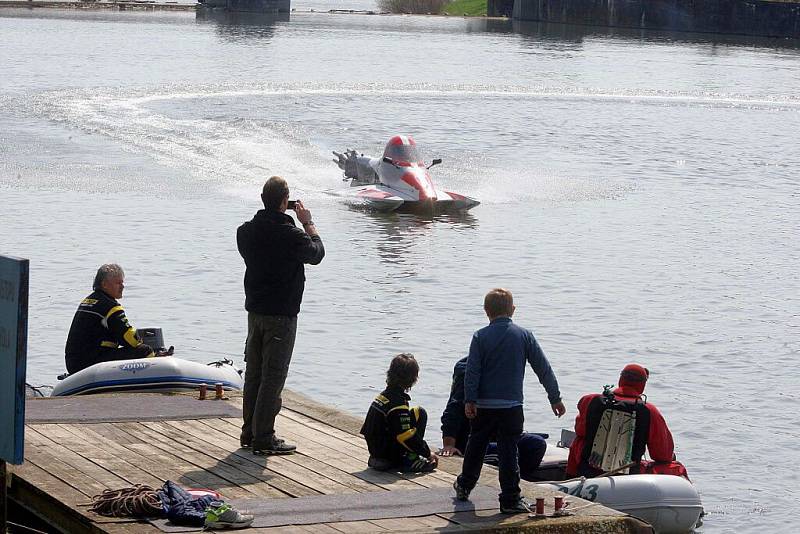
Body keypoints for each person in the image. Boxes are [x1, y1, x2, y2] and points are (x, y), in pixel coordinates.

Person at [453, 288, 566, 514]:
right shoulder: (524, 336)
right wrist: (555, 398)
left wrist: (469, 400)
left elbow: (472, 371)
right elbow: (543, 369)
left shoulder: (479, 336)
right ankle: (510, 499)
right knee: (509, 451)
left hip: (483, 406)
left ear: (486, 312)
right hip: (512, 407)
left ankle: (464, 485)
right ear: (513, 310)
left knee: (476, 446)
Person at [238, 176, 325, 456]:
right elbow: (316, 254)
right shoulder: (291, 235)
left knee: (254, 374)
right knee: (273, 377)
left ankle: (249, 432)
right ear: (285, 202)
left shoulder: (246, 232)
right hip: (281, 316)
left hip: (255, 313)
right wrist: (308, 223)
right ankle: (264, 437)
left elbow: (255, 241)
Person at [566, 363, 688, 478]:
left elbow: (580, 430)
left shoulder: (590, 400)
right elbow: (662, 455)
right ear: (642, 385)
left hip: (588, 468)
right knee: (677, 467)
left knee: (579, 440)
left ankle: (570, 476)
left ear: (621, 380)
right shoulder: (649, 411)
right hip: (629, 474)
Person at [440, 356, 548, 481]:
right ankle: (508, 483)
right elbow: (452, 411)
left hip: (498, 435)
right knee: (508, 453)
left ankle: (521, 480)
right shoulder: (469, 373)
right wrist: (448, 445)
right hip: (475, 441)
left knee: (536, 443)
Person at [64, 264, 154, 374]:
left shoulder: (87, 301)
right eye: (118, 283)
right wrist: (147, 343)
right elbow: (129, 339)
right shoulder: (111, 306)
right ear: (105, 284)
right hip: (91, 363)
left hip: (73, 364)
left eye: (122, 282)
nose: (122, 286)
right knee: (145, 351)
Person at [361, 353, 439, 473]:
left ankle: (406, 456)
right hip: (386, 456)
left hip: (376, 452)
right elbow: (405, 436)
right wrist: (427, 453)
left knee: (419, 413)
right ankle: (410, 460)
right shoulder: (397, 404)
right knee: (411, 428)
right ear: (412, 378)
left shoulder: (385, 396)